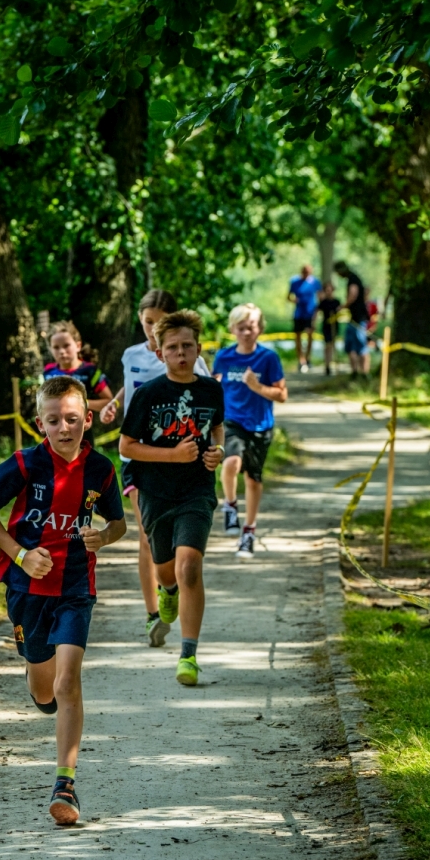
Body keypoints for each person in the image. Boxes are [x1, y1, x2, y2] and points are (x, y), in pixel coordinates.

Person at [0, 375, 126, 825]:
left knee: (67, 682)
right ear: (41, 423)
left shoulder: (101, 470)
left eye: (73, 419)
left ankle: (65, 784)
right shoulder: (25, 463)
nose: (64, 428)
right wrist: (20, 554)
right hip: (28, 591)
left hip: (76, 587)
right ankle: (37, 679)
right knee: (45, 690)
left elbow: (117, 523)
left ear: (88, 420)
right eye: (54, 420)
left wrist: (103, 537)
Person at [98, 289, 211, 648]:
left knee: (174, 545)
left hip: (181, 461)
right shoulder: (131, 354)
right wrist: (115, 404)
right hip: (138, 456)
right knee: (146, 536)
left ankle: (171, 588)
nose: (152, 329)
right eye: (148, 322)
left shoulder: (185, 356)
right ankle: (153, 611)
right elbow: (132, 388)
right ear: (140, 320)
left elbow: (206, 398)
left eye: (159, 323)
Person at [119, 310, 225, 687]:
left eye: (187, 346)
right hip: (155, 491)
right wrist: (172, 455)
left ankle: (188, 654)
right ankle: (167, 591)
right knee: (166, 570)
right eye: (173, 347)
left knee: (190, 566)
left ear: (198, 349)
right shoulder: (148, 394)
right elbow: (126, 446)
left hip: (197, 489)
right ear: (160, 353)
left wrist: (218, 452)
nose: (181, 353)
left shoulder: (211, 389)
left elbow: (216, 429)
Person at [212, 303, 287, 557]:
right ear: (233, 329)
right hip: (232, 421)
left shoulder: (268, 358)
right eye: (241, 327)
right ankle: (230, 505)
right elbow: (214, 386)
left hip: (260, 426)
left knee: (253, 480)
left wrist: (258, 387)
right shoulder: (224, 357)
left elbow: (282, 394)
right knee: (231, 462)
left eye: (251, 327)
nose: (246, 332)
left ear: (260, 328)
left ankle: (248, 532)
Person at [43, 321, 112, 415]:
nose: (62, 351)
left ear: (78, 346)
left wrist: (82, 403)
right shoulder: (48, 371)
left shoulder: (90, 371)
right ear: (50, 350)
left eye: (66, 345)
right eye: (56, 347)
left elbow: (109, 401)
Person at [335, 260, 371, 379]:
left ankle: (364, 373)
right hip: (353, 318)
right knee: (351, 346)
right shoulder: (353, 278)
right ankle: (355, 372)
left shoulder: (353, 279)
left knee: (361, 346)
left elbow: (353, 294)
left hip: (358, 319)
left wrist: (343, 306)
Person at [286, 264, 321, 373]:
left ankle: (308, 358)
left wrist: (317, 312)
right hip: (298, 313)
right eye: (304, 272)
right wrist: (295, 301)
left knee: (310, 335)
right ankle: (301, 360)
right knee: (298, 336)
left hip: (310, 313)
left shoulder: (315, 282)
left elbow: (320, 296)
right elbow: (288, 297)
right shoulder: (295, 281)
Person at [315, 284, 341, 375]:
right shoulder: (323, 302)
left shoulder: (337, 302)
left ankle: (333, 362)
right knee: (327, 345)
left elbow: (341, 311)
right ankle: (327, 365)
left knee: (333, 345)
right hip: (326, 327)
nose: (329, 292)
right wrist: (314, 322)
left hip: (334, 326)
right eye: (327, 290)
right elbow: (317, 311)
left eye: (330, 290)